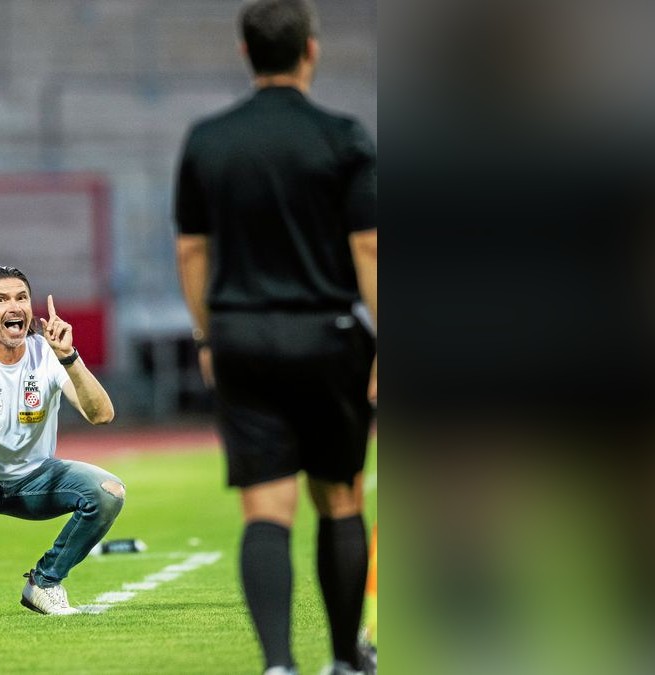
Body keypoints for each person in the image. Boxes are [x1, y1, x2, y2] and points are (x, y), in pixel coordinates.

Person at [174, 1, 377, 674]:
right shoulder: (343, 138)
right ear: (310, 51)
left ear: (245, 53)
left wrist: (207, 338)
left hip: (242, 336)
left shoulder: (208, 140)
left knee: (266, 506)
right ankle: (347, 658)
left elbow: (191, 252)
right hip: (327, 333)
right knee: (339, 497)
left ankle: (278, 664)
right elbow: (370, 248)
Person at [0, 265, 123, 620]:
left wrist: (70, 357)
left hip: (35, 480)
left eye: (22, 297)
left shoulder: (47, 355)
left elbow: (102, 414)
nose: (15, 306)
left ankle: (45, 583)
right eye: (1, 299)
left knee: (108, 491)